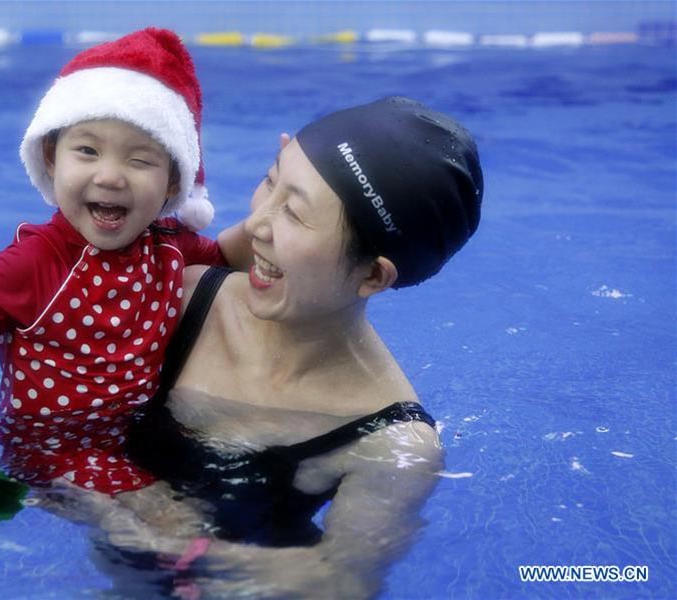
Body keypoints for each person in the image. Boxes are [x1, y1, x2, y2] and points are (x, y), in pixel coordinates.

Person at [40, 96, 484, 598]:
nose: (256, 225)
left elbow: (340, 580)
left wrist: (171, 543)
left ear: (372, 275)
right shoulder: (180, 299)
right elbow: (52, 420)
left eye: (294, 214)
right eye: (271, 181)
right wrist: (107, 504)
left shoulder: (387, 443)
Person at [0, 28, 243, 494]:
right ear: (51, 157)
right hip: (50, 448)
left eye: (140, 160)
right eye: (86, 150)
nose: (109, 176)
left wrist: (285, 199)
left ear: (173, 183)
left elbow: (232, 258)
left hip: (138, 432)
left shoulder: (169, 245)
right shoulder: (33, 262)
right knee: (168, 527)